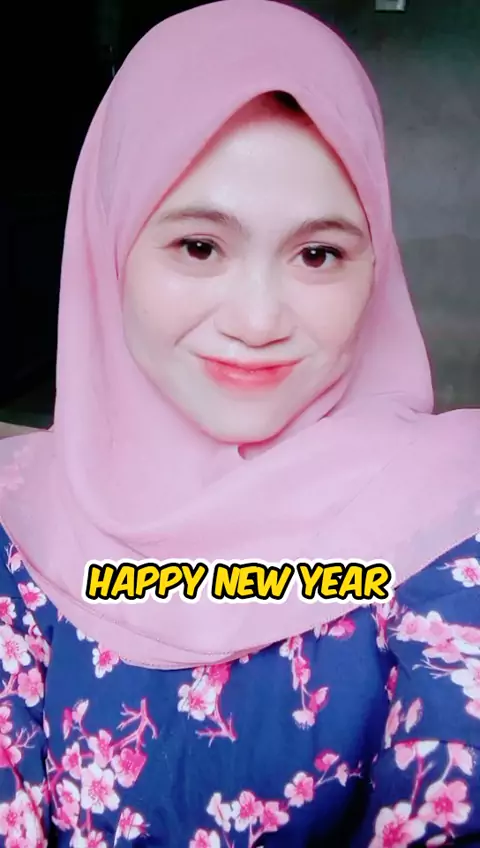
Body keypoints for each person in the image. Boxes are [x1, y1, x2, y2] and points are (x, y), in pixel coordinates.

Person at [0, 1, 479, 845]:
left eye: (318, 254)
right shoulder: (20, 520)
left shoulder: (451, 518)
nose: (258, 321)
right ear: (109, 248)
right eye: (199, 247)